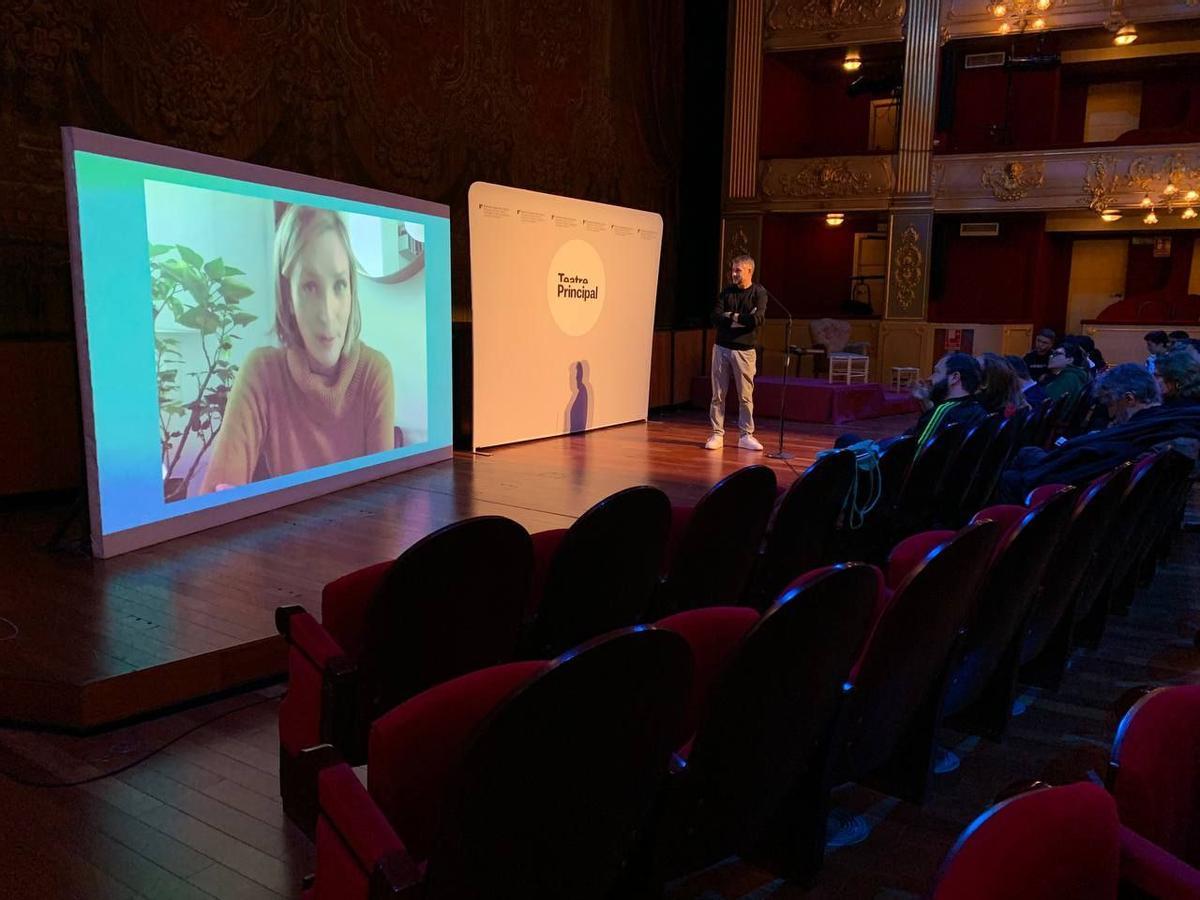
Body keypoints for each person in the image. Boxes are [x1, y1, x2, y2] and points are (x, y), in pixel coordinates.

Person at [200, 205, 395, 493]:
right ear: (288, 296)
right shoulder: (262, 374)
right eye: (309, 286)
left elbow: (384, 508)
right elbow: (215, 500)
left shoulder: (373, 373)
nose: (327, 314)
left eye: (339, 285)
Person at [997, 362, 1200, 501]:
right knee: (1027, 454)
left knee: (1013, 475)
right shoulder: (1164, 422)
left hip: (1081, 495)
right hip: (1099, 490)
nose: (1110, 413)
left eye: (1110, 403)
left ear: (1129, 399)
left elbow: (1090, 467)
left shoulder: (1142, 433)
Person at [705, 254, 768, 451]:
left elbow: (757, 320)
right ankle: (717, 434)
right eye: (733, 270)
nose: (733, 274)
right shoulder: (726, 292)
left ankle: (746, 435)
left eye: (738, 270)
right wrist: (742, 319)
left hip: (745, 351)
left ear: (749, 271)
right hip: (722, 347)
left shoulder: (759, 293)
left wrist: (731, 316)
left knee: (745, 396)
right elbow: (715, 317)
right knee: (718, 394)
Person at [906, 352, 990, 450]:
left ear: (955, 377)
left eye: (937, 372)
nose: (930, 378)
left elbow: (916, 453)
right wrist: (925, 401)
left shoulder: (942, 411)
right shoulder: (978, 408)